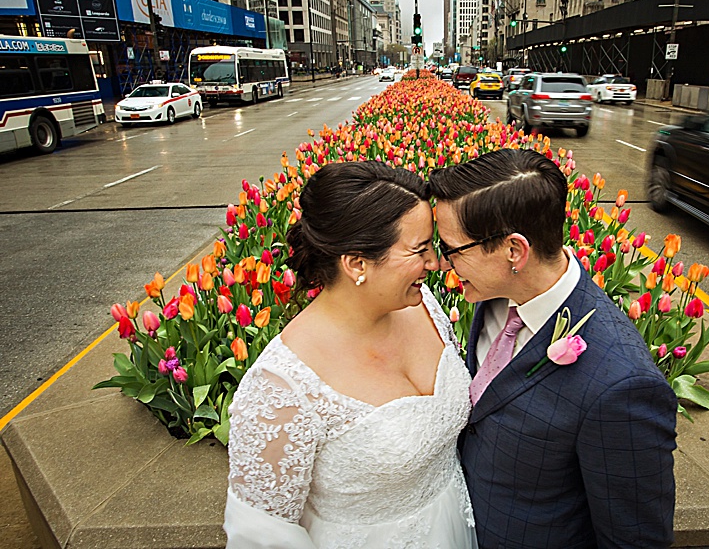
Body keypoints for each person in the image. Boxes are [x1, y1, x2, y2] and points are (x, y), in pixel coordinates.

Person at [429, 149, 678, 549]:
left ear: (514, 251)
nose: (444, 264)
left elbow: (635, 539)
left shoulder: (621, 386)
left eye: (453, 250)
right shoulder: (495, 294)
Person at [224, 161, 477, 548]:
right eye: (419, 249)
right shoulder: (282, 388)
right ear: (356, 263)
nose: (434, 263)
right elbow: (263, 535)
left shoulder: (423, 304)